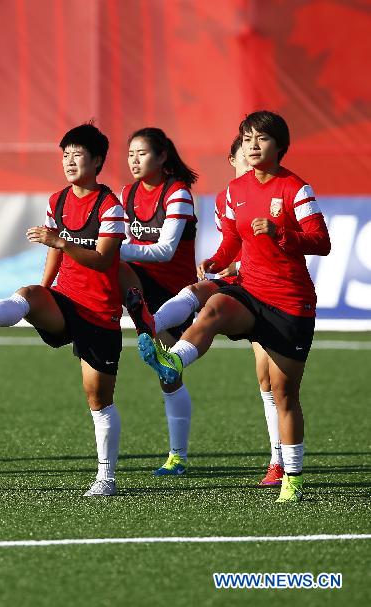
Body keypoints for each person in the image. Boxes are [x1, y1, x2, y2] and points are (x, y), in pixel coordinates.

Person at [138, 111, 331, 503]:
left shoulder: (297, 189)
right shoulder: (233, 191)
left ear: (280, 145)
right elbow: (232, 244)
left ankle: (291, 476)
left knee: (283, 393)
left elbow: (320, 241)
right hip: (250, 292)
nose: (253, 146)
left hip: (290, 304)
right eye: (247, 139)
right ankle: (172, 360)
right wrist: (214, 259)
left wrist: (282, 232)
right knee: (214, 308)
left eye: (261, 139)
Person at [0, 123, 126, 497]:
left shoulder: (110, 207)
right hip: (64, 301)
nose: (69, 161)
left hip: (99, 312)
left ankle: (106, 477)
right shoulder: (58, 200)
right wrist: (46, 289)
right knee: (29, 293)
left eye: (77, 154)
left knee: (98, 398)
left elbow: (101, 261)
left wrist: (61, 241)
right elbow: (54, 252)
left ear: (98, 161)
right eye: (64, 154)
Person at [132, 135, 285, 486]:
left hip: (270, 292)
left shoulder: (279, 195)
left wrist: (233, 266)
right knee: (198, 293)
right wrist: (219, 262)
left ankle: (278, 461)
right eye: (245, 159)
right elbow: (232, 244)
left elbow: (282, 251)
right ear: (233, 161)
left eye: (256, 156)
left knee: (269, 380)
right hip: (239, 286)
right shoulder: (227, 198)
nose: (252, 164)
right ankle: (151, 328)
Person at [116, 127, 199, 477]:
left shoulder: (178, 193)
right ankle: (93, 316)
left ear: (162, 156)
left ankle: (177, 456)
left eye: (143, 153)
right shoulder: (126, 192)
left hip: (174, 296)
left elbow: (165, 251)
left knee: (169, 376)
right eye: (131, 154)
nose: (134, 160)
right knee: (106, 264)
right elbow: (115, 237)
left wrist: (104, 248)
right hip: (141, 290)